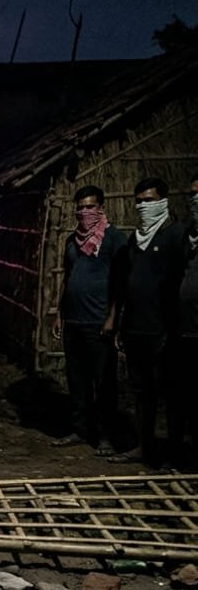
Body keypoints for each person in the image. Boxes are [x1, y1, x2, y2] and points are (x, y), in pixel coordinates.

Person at [110, 177, 188, 465]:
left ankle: (175, 450)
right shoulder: (136, 240)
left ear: (163, 201)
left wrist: (172, 326)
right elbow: (124, 285)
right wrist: (120, 324)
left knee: (171, 391)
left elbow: (181, 283)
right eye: (139, 201)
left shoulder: (176, 235)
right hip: (135, 326)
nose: (143, 206)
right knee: (141, 391)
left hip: (163, 329)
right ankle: (144, 446)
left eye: (150, 200)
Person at [50, 185, 126, 456]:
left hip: (99, 323)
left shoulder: (114, 239)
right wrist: (60, 314)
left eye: (90, 206)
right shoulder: (72, 241)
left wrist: (112, 319)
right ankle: (80, 429)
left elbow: (120, 283)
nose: (85, 212)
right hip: (74, 321)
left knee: (103, 382)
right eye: (80, 207)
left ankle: (105, 436)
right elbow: (67, 277)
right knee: (76, 379)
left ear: (101, 207)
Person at [164, 174, 198, 467]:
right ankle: (177, 453)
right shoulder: (185, 237)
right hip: (180, 331)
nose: (195, 200)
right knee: (178, 396)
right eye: (192, 194)